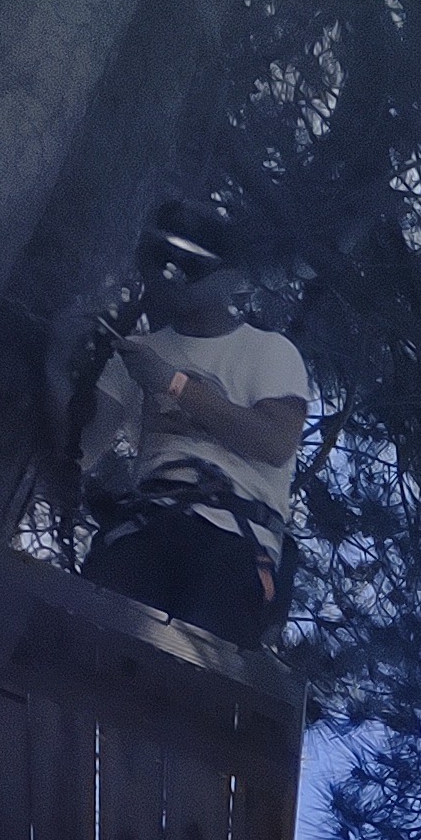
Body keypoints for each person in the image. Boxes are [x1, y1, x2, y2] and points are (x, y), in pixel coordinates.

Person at [77, 226, 309, 647]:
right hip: (148, 525)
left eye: (192, 264)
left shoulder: (269, 351)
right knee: (88, 646)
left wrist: (175, 385)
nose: (175, 274)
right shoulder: (136, 352)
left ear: (229, 278)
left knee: (187, 676)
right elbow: (81, 449)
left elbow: (275, 443)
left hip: (236, 540)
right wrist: (57, 367)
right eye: (164, 260)